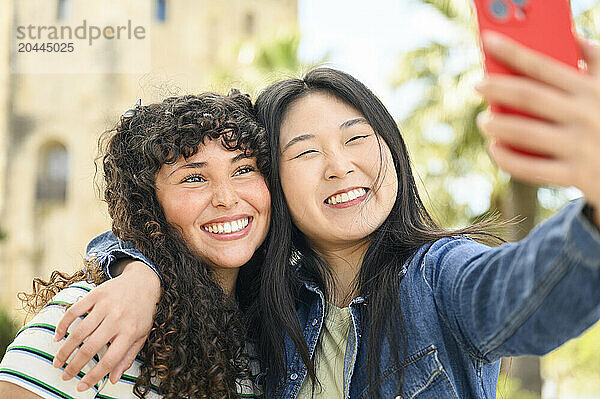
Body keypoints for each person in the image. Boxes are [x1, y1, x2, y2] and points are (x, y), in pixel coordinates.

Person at [48, 32, 600, 398]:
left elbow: (530, 296)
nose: (340, 166)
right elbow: (171, 235)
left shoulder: (440, 277)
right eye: (306, 152)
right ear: (274, 184)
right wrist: (139, 272)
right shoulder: (265, 301)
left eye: (358, 139)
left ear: (392, 153)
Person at [0, 91, 271, 398]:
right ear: (148, 203)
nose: (227, 197)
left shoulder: (271, 334)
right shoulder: (95, 321)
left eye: (244, 170)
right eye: (194, 178)